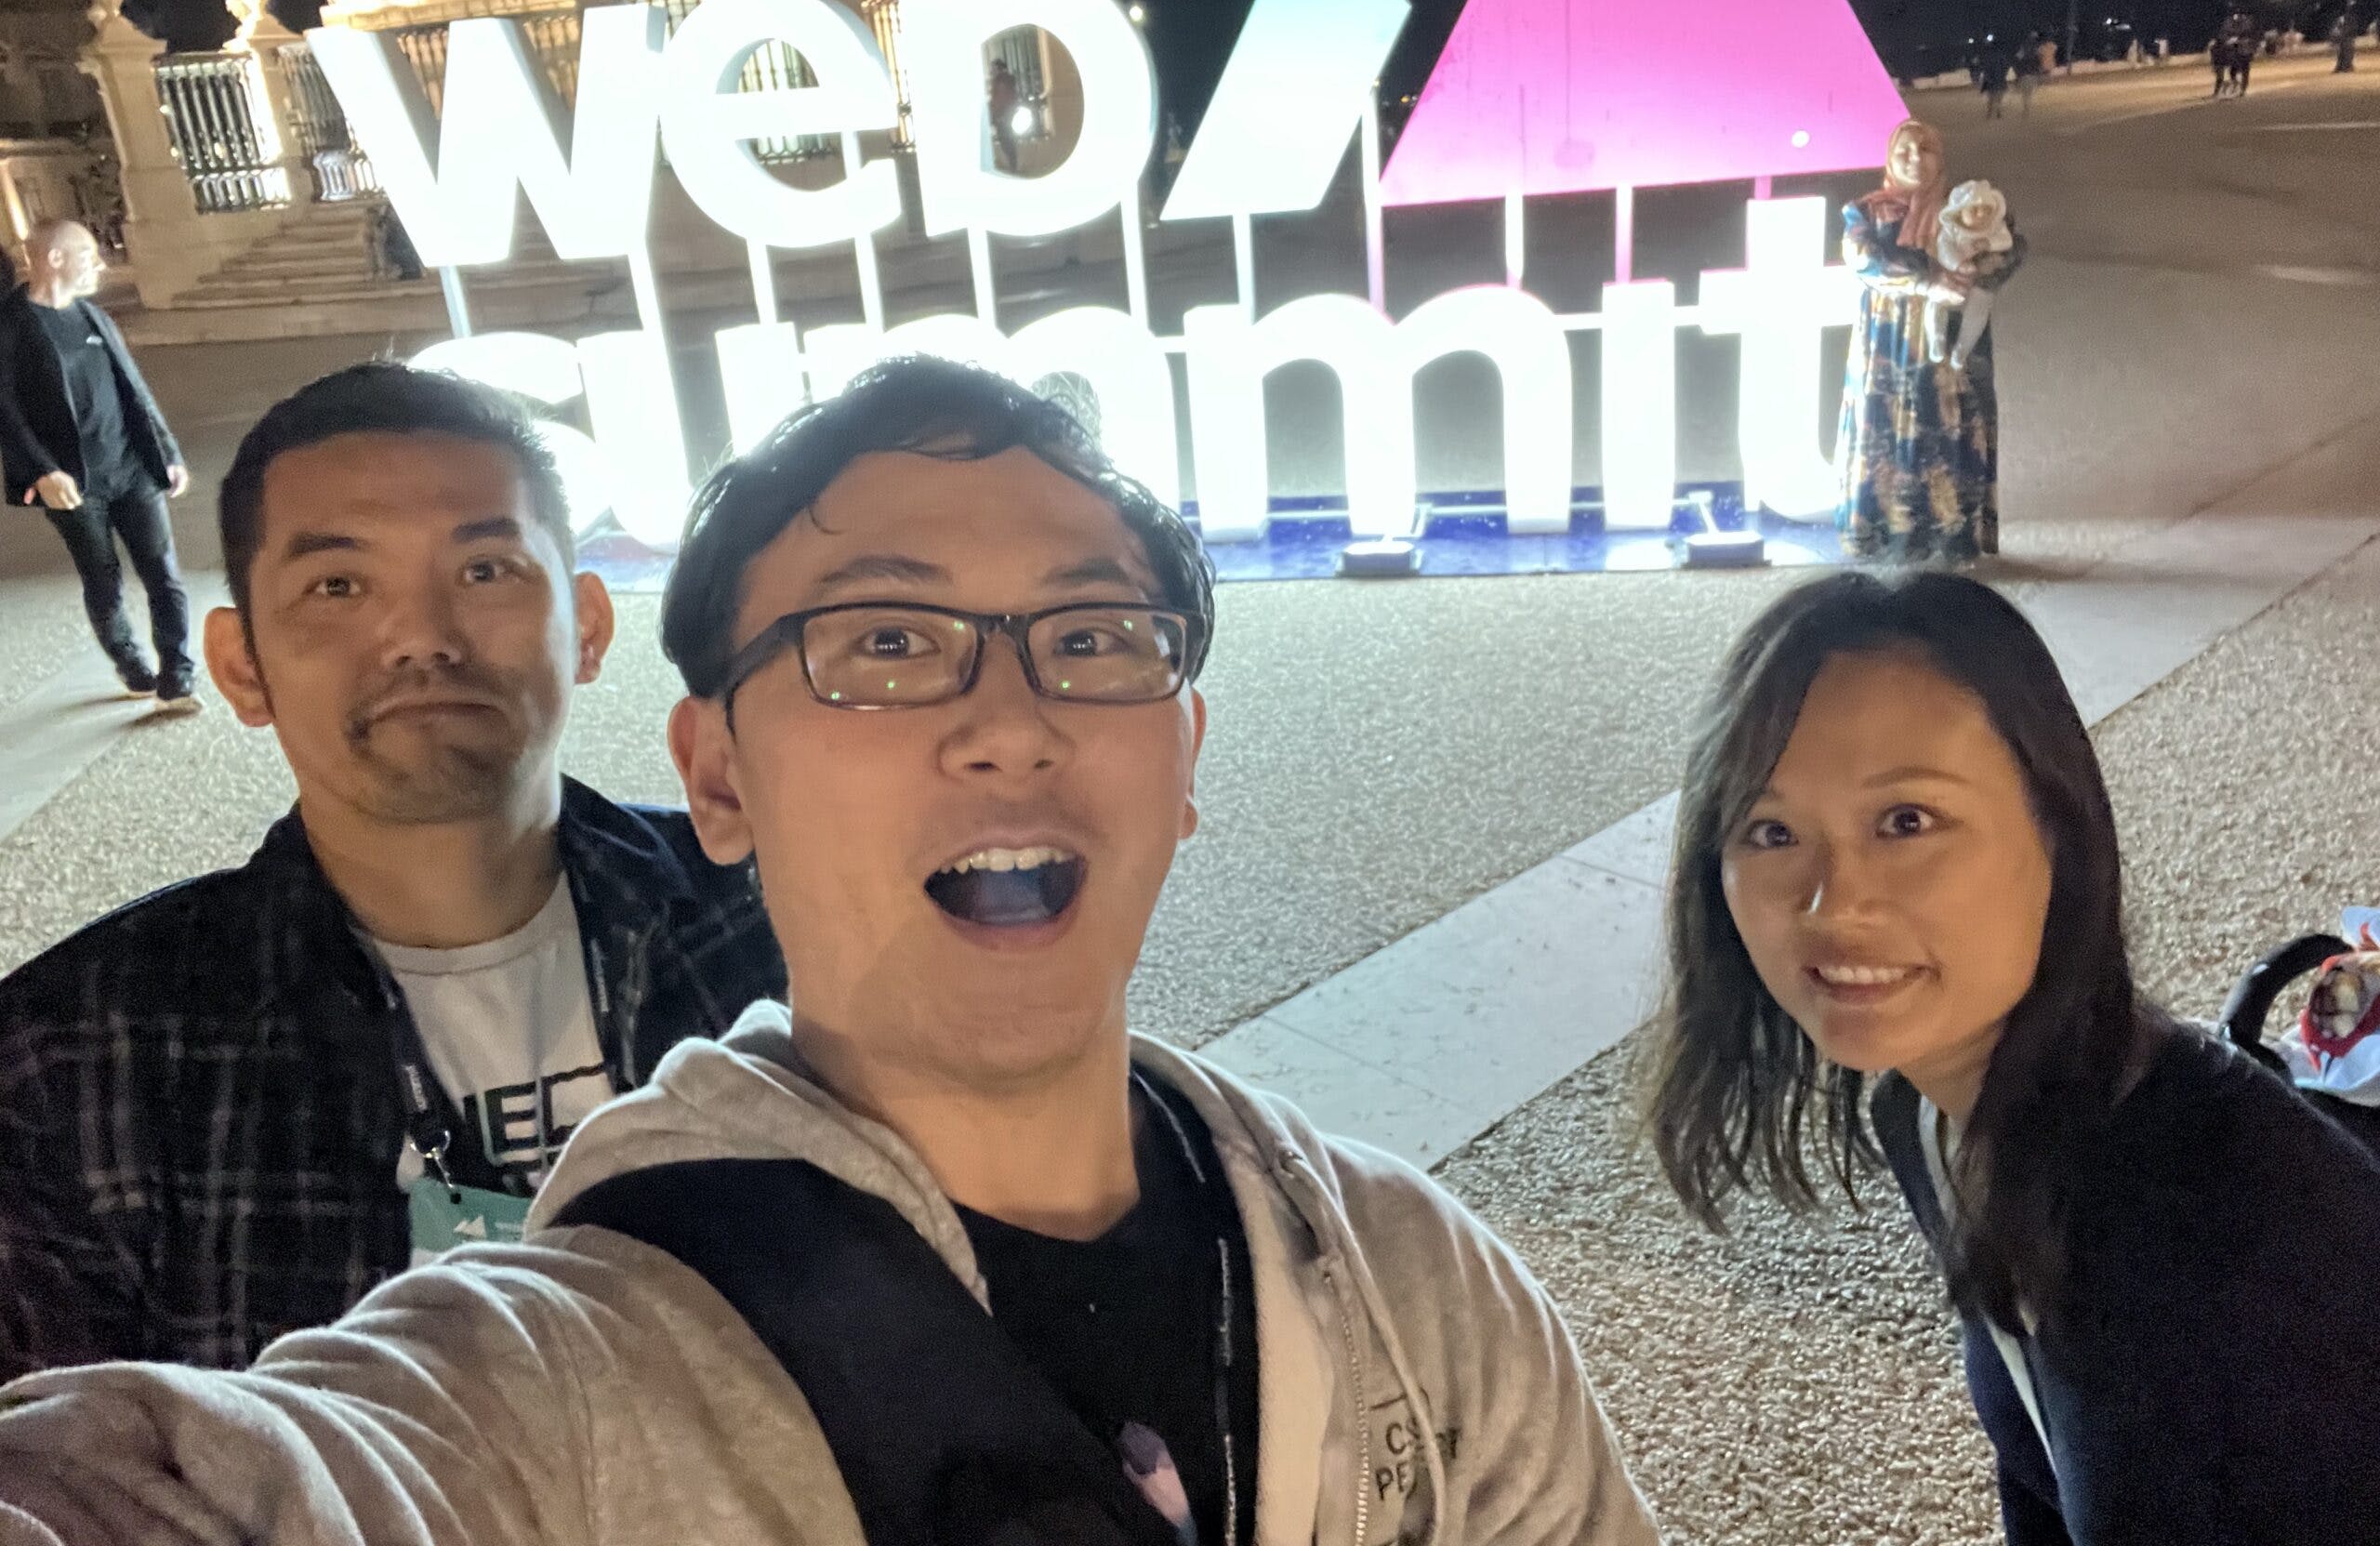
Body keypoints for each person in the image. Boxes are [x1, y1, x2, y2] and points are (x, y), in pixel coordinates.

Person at [0, 358, 1659, 1546]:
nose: (1008, 723)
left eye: (1091, 640)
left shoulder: (1417, 1284)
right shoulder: (542, 1350)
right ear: (723, 774)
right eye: (885, 643)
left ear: (1188, 755)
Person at [0, 363, 786, 1378]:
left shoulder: (780, 914)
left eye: (487, 571)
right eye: (338, 585)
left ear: (587, 628)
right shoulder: (70, 1063)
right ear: (243, 668)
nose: (421, 636)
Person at [1646, 569, 2380, 1543]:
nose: (1831, 903)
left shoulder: (2204, 1232)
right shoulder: (1924, 1115)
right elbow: (2038, 1474)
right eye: (1771, 831)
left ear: (2059, 831)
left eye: (1905, 822)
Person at [0, 218, 197, 711]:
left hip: (130, 468)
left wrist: (167, 451)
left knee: (163, 574)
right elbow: (5, 409)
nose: (100, 263)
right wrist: (42, 470)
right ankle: (132, 666)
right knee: (102, 578)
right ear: (55, 258)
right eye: (89, 252)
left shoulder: (93, 318)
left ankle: (178, 674)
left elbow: (135, 390)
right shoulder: (11, 324)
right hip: (72, 484)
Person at [1836, 119, 2024, 564]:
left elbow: (2012, 247)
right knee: (1890, 423)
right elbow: (1861, 258)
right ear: (1890, 157)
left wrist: (1982, 271)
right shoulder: (1866, 211)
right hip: (1891, 340)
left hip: (1956, 339)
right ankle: (1887, 531)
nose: (1916, 158)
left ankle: (1951, 532)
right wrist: (1928, 281)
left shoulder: (1963, 206)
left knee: (1953, 422)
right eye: (1905, 150)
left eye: (1927, 150)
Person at [988, 56, 1023, 174]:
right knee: (1007, 141)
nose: (991, 71)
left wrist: (998, 115)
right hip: (1004, 116)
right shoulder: (1004, 80)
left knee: (1006, 142)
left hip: (1003, 116)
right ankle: (1013, 167)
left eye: (992, 68)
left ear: (998, 68)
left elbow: (1001, 100)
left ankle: (1013, 168)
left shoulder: (1001, 80)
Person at [2012, 37, 2043, 116]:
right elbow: (2038, 64)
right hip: (2032, 75)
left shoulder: (2022, 52)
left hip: (2023, 75)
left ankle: (2026, 108)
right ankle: (2027, 108)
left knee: (2025, 94)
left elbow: (2016, 62)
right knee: (2029, 93)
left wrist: (2017, 73)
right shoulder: (2035, 53)